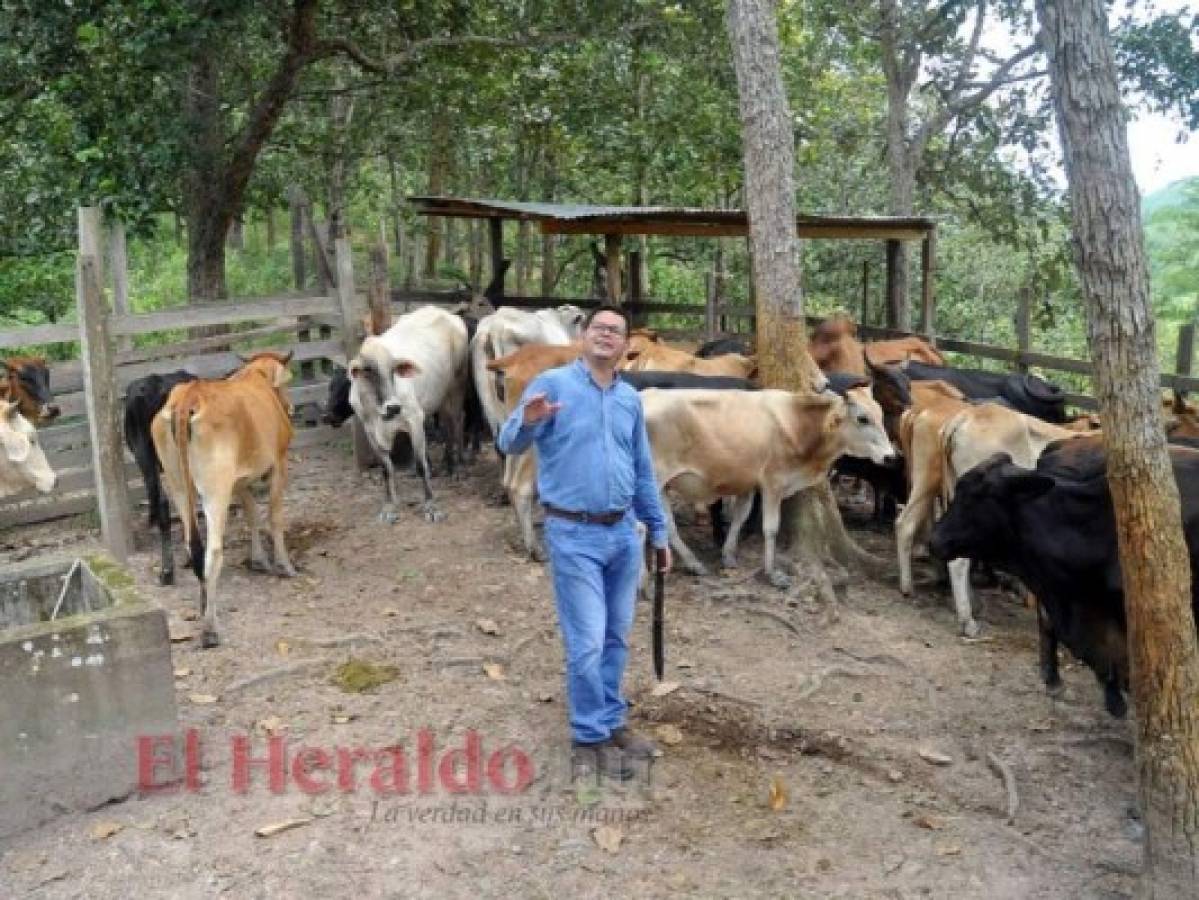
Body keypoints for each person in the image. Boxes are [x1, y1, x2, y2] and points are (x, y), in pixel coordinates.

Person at [497, 305, 672, 781]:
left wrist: (658, 531)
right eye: (599, 328)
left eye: (616, 331)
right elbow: (508, 443)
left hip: (622, 533)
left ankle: (612, 722)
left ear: (625, 345)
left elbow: (641, 470)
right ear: (585, 336)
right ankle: (588, 737)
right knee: (588, 641)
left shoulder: (629, 400)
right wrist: (528, 421)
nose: (606, 336)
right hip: (572, 532)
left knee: (616, 637)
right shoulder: (553, 386)